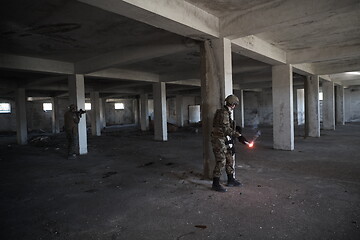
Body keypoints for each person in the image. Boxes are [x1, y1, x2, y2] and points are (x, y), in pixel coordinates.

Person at [211, 94, 247, 192]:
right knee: (221, 160)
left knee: (229, 158)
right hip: (218, 139)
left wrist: (237, 130)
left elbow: (228, 127)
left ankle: (231, 180)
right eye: (235, 104)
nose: (235, 106)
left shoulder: (227, 112)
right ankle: (215, 183)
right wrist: (238, 136)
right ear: (232, 104)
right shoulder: (223, 113)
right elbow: (226, 129)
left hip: (224, 138)